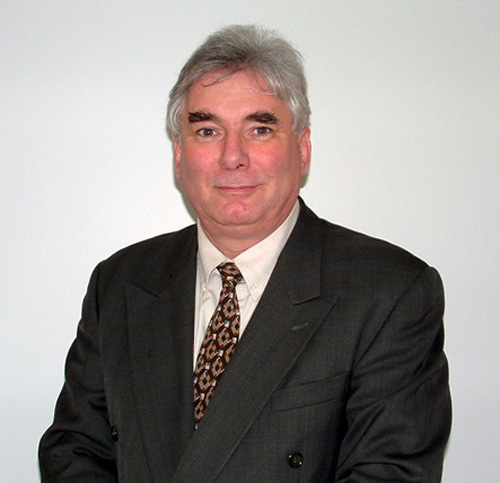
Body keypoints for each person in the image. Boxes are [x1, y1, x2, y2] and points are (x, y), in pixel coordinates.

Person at [39, 24, 451, 482]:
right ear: (179, 153)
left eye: (259, 129)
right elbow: (75, 452)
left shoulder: (389, 292)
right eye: (208, 130)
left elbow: (389, 472)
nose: (232, 156)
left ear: (302, 149)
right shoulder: (120, 283)